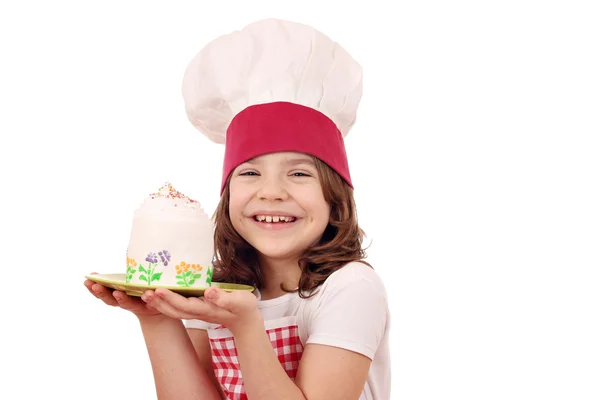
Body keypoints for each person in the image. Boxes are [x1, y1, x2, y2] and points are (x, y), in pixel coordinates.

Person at [84, 18, 391, 400]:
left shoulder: (348, 288)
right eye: (249, 172)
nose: (272, 192)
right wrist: (157, 317)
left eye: (298, 172)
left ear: (335, 195)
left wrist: (247, 328)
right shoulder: (210, 284)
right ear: (228, 193)